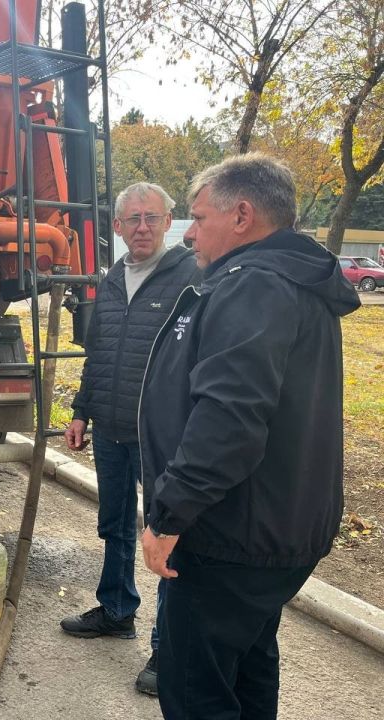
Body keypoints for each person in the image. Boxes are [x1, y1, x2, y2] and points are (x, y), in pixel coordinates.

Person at [139, 154, 360, 719]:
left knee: (197, 693)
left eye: (197, 217)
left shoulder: (254, 286)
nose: (188, 234)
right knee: (248, 668)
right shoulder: (289, 282)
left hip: (229, 533)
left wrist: (169, 515)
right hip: (272, 530)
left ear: (241, 215)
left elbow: (230, 419)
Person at [59, 182, 200, 696]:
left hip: (162, 437)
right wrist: (80, 412)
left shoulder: (192, 276)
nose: (141, 227)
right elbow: (98, 354)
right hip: (112, 429)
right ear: (116, 228)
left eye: (151, 218)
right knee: (115, 525)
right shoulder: (111, 279)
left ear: (169, 222)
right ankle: (117, 610)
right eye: (132, 219)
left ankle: (170, 649)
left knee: (165, 538)